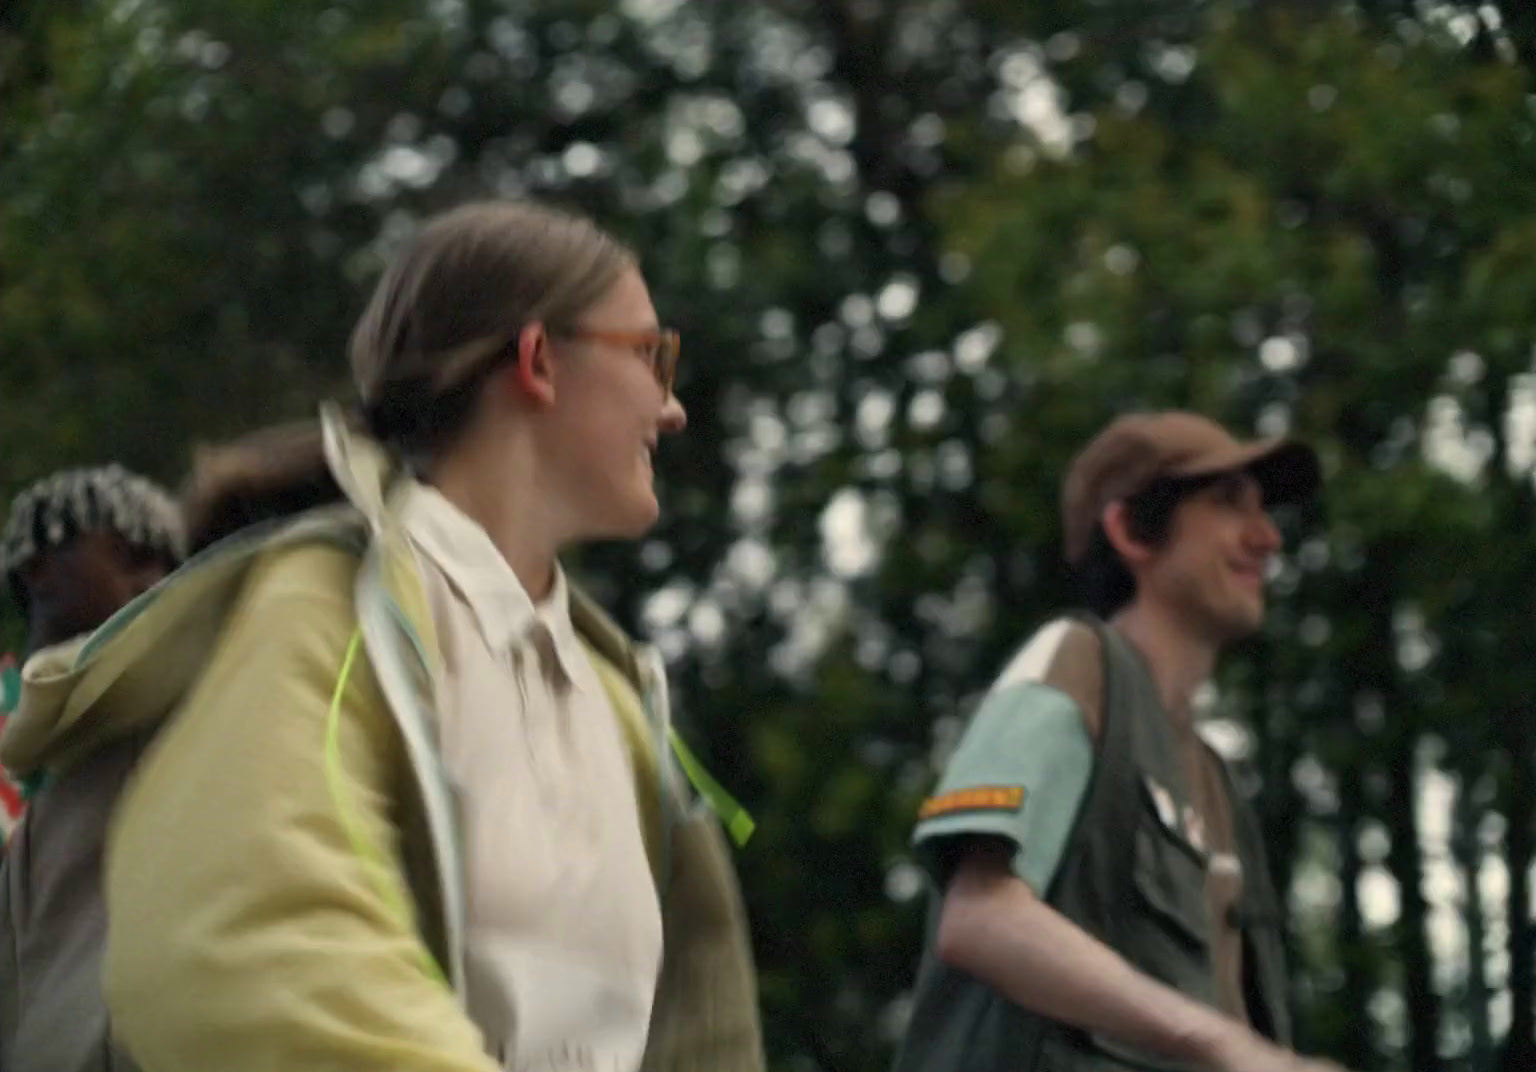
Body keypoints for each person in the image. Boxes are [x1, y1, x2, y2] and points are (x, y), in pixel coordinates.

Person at [0, 200, 763, 1072]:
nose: (672, 408)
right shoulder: (327, 617)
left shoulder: (620, 703)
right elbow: (260, 946)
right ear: (539, 359)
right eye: (648, 355)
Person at [893, 411, 1348, 1072]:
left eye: (1264, 511)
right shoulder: (1077, 664)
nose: (1267, 537)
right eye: (1227, 504)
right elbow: (980, 917)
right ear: (1132, 529)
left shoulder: (1216, 781)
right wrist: (1218, 1041)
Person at [0, 464, 185, 1071]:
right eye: (130, 555)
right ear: (37, 569)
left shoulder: (176, 721)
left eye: (166, 560)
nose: (155, 579)